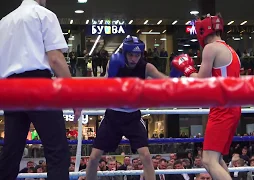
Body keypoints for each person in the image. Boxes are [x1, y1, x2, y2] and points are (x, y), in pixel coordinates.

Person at [0, 0, 82, 179]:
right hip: (38, 85)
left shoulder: (4, 22)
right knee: (57, 152)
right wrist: (74, 95)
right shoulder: (43, 14)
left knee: (11, 154)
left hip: (9, 89)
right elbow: (55, 59)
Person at [86, 36, 168, 180]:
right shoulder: (114, 63)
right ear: (124, 53)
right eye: (131, 55)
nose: (133, 59)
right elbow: (105, 88)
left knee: (146, 156)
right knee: (94, 157)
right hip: (113, 116)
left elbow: (165, 81)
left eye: (137, 55)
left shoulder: (146, 67)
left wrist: (177, 75)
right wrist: (112, 76)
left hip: (133, 116)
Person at [172, 13, 241, 180]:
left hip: (222, 108)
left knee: (208, 161)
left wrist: (188, 71)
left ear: (202, 31)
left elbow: (201, 80)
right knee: (216, 159)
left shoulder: (211, 48)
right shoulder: (231, 51)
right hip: (232, 106)